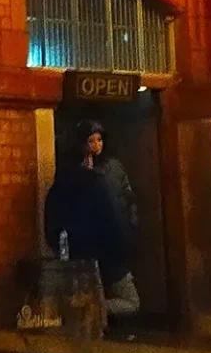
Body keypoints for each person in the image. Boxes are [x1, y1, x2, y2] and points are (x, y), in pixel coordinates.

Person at [42, 119, 140, 314]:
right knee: (128, 301)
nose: (96, 145)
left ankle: (92, 311)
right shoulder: (76, 179)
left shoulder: (111, 169)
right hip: (100, 252)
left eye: (99, 140)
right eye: (91, 141)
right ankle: (92, 311)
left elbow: (125, 202)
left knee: (124, 300)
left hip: (103, 251)